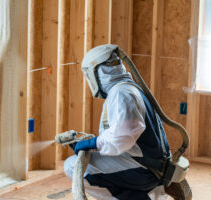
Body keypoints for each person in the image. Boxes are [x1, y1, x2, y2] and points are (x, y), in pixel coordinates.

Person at [64, 44, 170, 200]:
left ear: (97, 72)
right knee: (84, 163)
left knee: (72, 166)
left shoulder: (122, 93)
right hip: (149, 165)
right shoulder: (127, 88)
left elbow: (123, 138)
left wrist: (92, 144)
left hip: (144, 171)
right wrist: (93, 144)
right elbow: (125, 136)